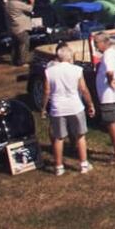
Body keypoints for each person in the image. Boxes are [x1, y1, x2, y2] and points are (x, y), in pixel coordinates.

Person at [43, 44, 96, 175]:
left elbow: (47, 91)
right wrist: (90, 104)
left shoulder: (49, 71)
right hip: (75, 106)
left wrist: (43, 108)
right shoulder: (77, 70)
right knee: (80, 136)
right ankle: (84, 164)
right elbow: (83, 89)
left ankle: (58, 166)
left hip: (57, 107)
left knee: (58, 138)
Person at [93, 32, 115, 164]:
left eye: (96, 43)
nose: (96, 46)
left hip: (109, 95)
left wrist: (111, 81)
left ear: (104, 42)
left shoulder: (107, 55)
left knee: (111, 123)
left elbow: (110, 71)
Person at [4, 0, 37, 67]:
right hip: (20, 28)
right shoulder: (17, 4)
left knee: (15, 46)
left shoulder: (7, 4)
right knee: (24, 44)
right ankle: (23, 62)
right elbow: (30, 8)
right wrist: (32, 1)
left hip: (13, 28)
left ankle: (14, 61)